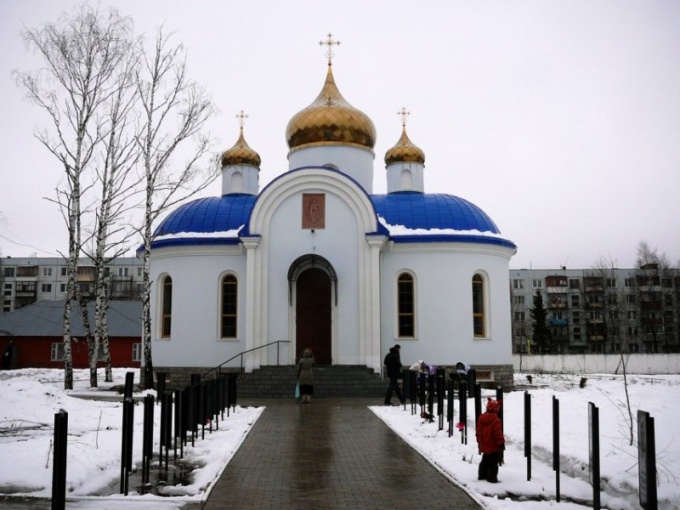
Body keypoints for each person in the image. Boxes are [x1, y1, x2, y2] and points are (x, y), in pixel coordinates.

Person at [476, 398, 505, 483]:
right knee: (493, 464)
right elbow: (497, 433)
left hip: (484, 444)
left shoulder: (481, 418)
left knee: (485, 461)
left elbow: (478, 431)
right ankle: (492, 479)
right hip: (493, 446)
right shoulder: (496, 420)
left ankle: (482, 476)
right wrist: (501, 443)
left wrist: (479, 442)